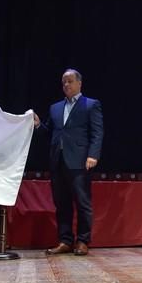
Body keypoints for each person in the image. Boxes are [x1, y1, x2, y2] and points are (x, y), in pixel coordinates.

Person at [33, 69, 103, 256]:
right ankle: (65, 240)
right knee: (61, 204)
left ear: (79, 83)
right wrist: (39, 125)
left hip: (80, 161)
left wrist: (93, 155)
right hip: (58, 162)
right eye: (64, 82)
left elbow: (97, 133)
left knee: (82, 203)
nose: (66, 85)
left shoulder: (90, 105)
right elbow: (50, 133)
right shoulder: (55, 108)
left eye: (70, 81)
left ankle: (82, 240)